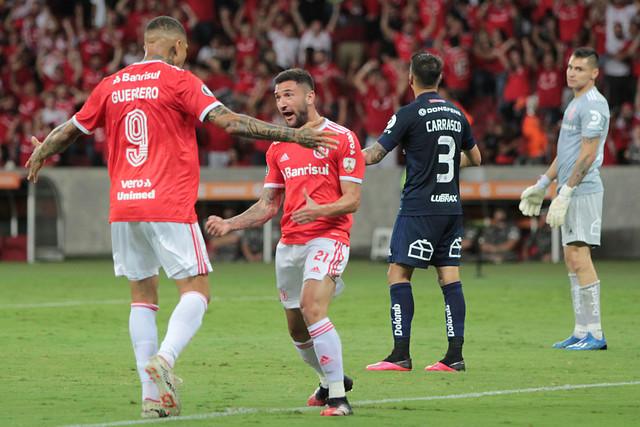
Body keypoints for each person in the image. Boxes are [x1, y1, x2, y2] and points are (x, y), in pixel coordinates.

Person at [24, 16, 340, 419]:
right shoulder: (178, 80)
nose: (186, 56)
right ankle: (166, 358)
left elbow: (69, 130)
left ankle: (151, 399)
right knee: (197, 291)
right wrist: (292, 135)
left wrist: (41, 151)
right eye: (185, 50)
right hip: (167, 203)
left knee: (142, 299)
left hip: (123, 205)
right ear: (176, 47)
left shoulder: (111, 83)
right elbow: (229, 122)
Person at [206, 68, 364, 416]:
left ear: (310, 96)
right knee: (296, 328)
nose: (281, 103)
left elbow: (352, 199)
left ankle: (339, 399)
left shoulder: (342, 138)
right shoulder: (279, 146)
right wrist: (230, 224)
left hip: (329, 237)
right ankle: (328, 380)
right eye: (278, 97)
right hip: (289, 244)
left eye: (289, 94)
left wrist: (319, 210)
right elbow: (268, 205)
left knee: (312, 308)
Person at [362, 51, 481, 373]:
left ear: (410, 78)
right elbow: (476, 158)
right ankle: (454, 356)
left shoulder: (408, 113)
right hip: (451, 209)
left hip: (418, 209)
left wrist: (341, 157)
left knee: (398, 274)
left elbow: (374, 155)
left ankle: (400, 354)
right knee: (449, 277)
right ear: (440, 78)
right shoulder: (457, 114)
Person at [519, 46, 610, 351]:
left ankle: (596, 334)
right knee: (571, 259)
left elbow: (587, 155)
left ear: (594, 73)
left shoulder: (594, 105)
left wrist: (568, 190)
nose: (572, 72)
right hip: (569, 190)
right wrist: (543, 183)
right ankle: (581, 330)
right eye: (571, 67)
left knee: (580, 256)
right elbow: (567, 153)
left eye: (579, 68)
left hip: (583, 190)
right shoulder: (574, 103)